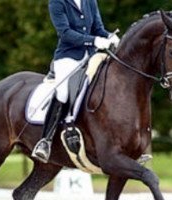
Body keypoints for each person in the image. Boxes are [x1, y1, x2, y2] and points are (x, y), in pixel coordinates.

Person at [32, 0, 120, 162]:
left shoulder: (90, 1)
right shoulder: (57, 3)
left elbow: (98, 28)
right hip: (69, 56)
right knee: (63, 92)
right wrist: (94, 41)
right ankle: (45, 140)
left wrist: (110, 36)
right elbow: (65, 33)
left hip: (92, 56)